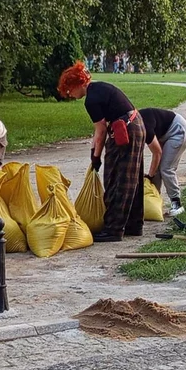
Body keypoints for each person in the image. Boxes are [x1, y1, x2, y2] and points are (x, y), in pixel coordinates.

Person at [58, 61, 144, 242]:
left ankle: (114, 229)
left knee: (118, 178)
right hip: (135, 124)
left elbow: (101, 131)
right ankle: (133, 224)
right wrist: (94, 150)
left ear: (78, 83)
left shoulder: (91, 100)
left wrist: (96, 157)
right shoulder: (98, 89)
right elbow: (100, 129)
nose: (70, 95)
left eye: (69, 90)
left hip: (125, 131)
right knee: (132, 178)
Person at [140, 107, 186, 217]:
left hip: (178, 130)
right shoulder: (135, 125)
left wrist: (149, 176)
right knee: (157, 169)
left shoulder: (145, 128)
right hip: (164, 134)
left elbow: (157, 153)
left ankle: (176, 203)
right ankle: (154, 200)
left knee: (166, 168)